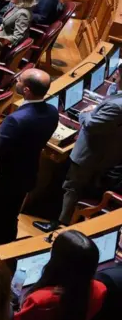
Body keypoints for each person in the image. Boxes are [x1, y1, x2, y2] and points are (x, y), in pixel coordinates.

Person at [0, 70, 58, 248]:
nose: (16, 81)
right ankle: (7, 249)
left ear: (27, 90)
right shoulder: (52, 112)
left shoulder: (16, 120)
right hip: (28, 174)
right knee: (10, 216)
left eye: (19, 80)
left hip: (5, 179)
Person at [37, 76, 122, 230]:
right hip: (107, 152)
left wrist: (85, 113)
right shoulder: (117, 98)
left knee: (71, 187)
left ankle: (60, 224)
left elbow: (91, 125)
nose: (115, 77)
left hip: (91, 154)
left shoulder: (117, 106)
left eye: (119, 75)